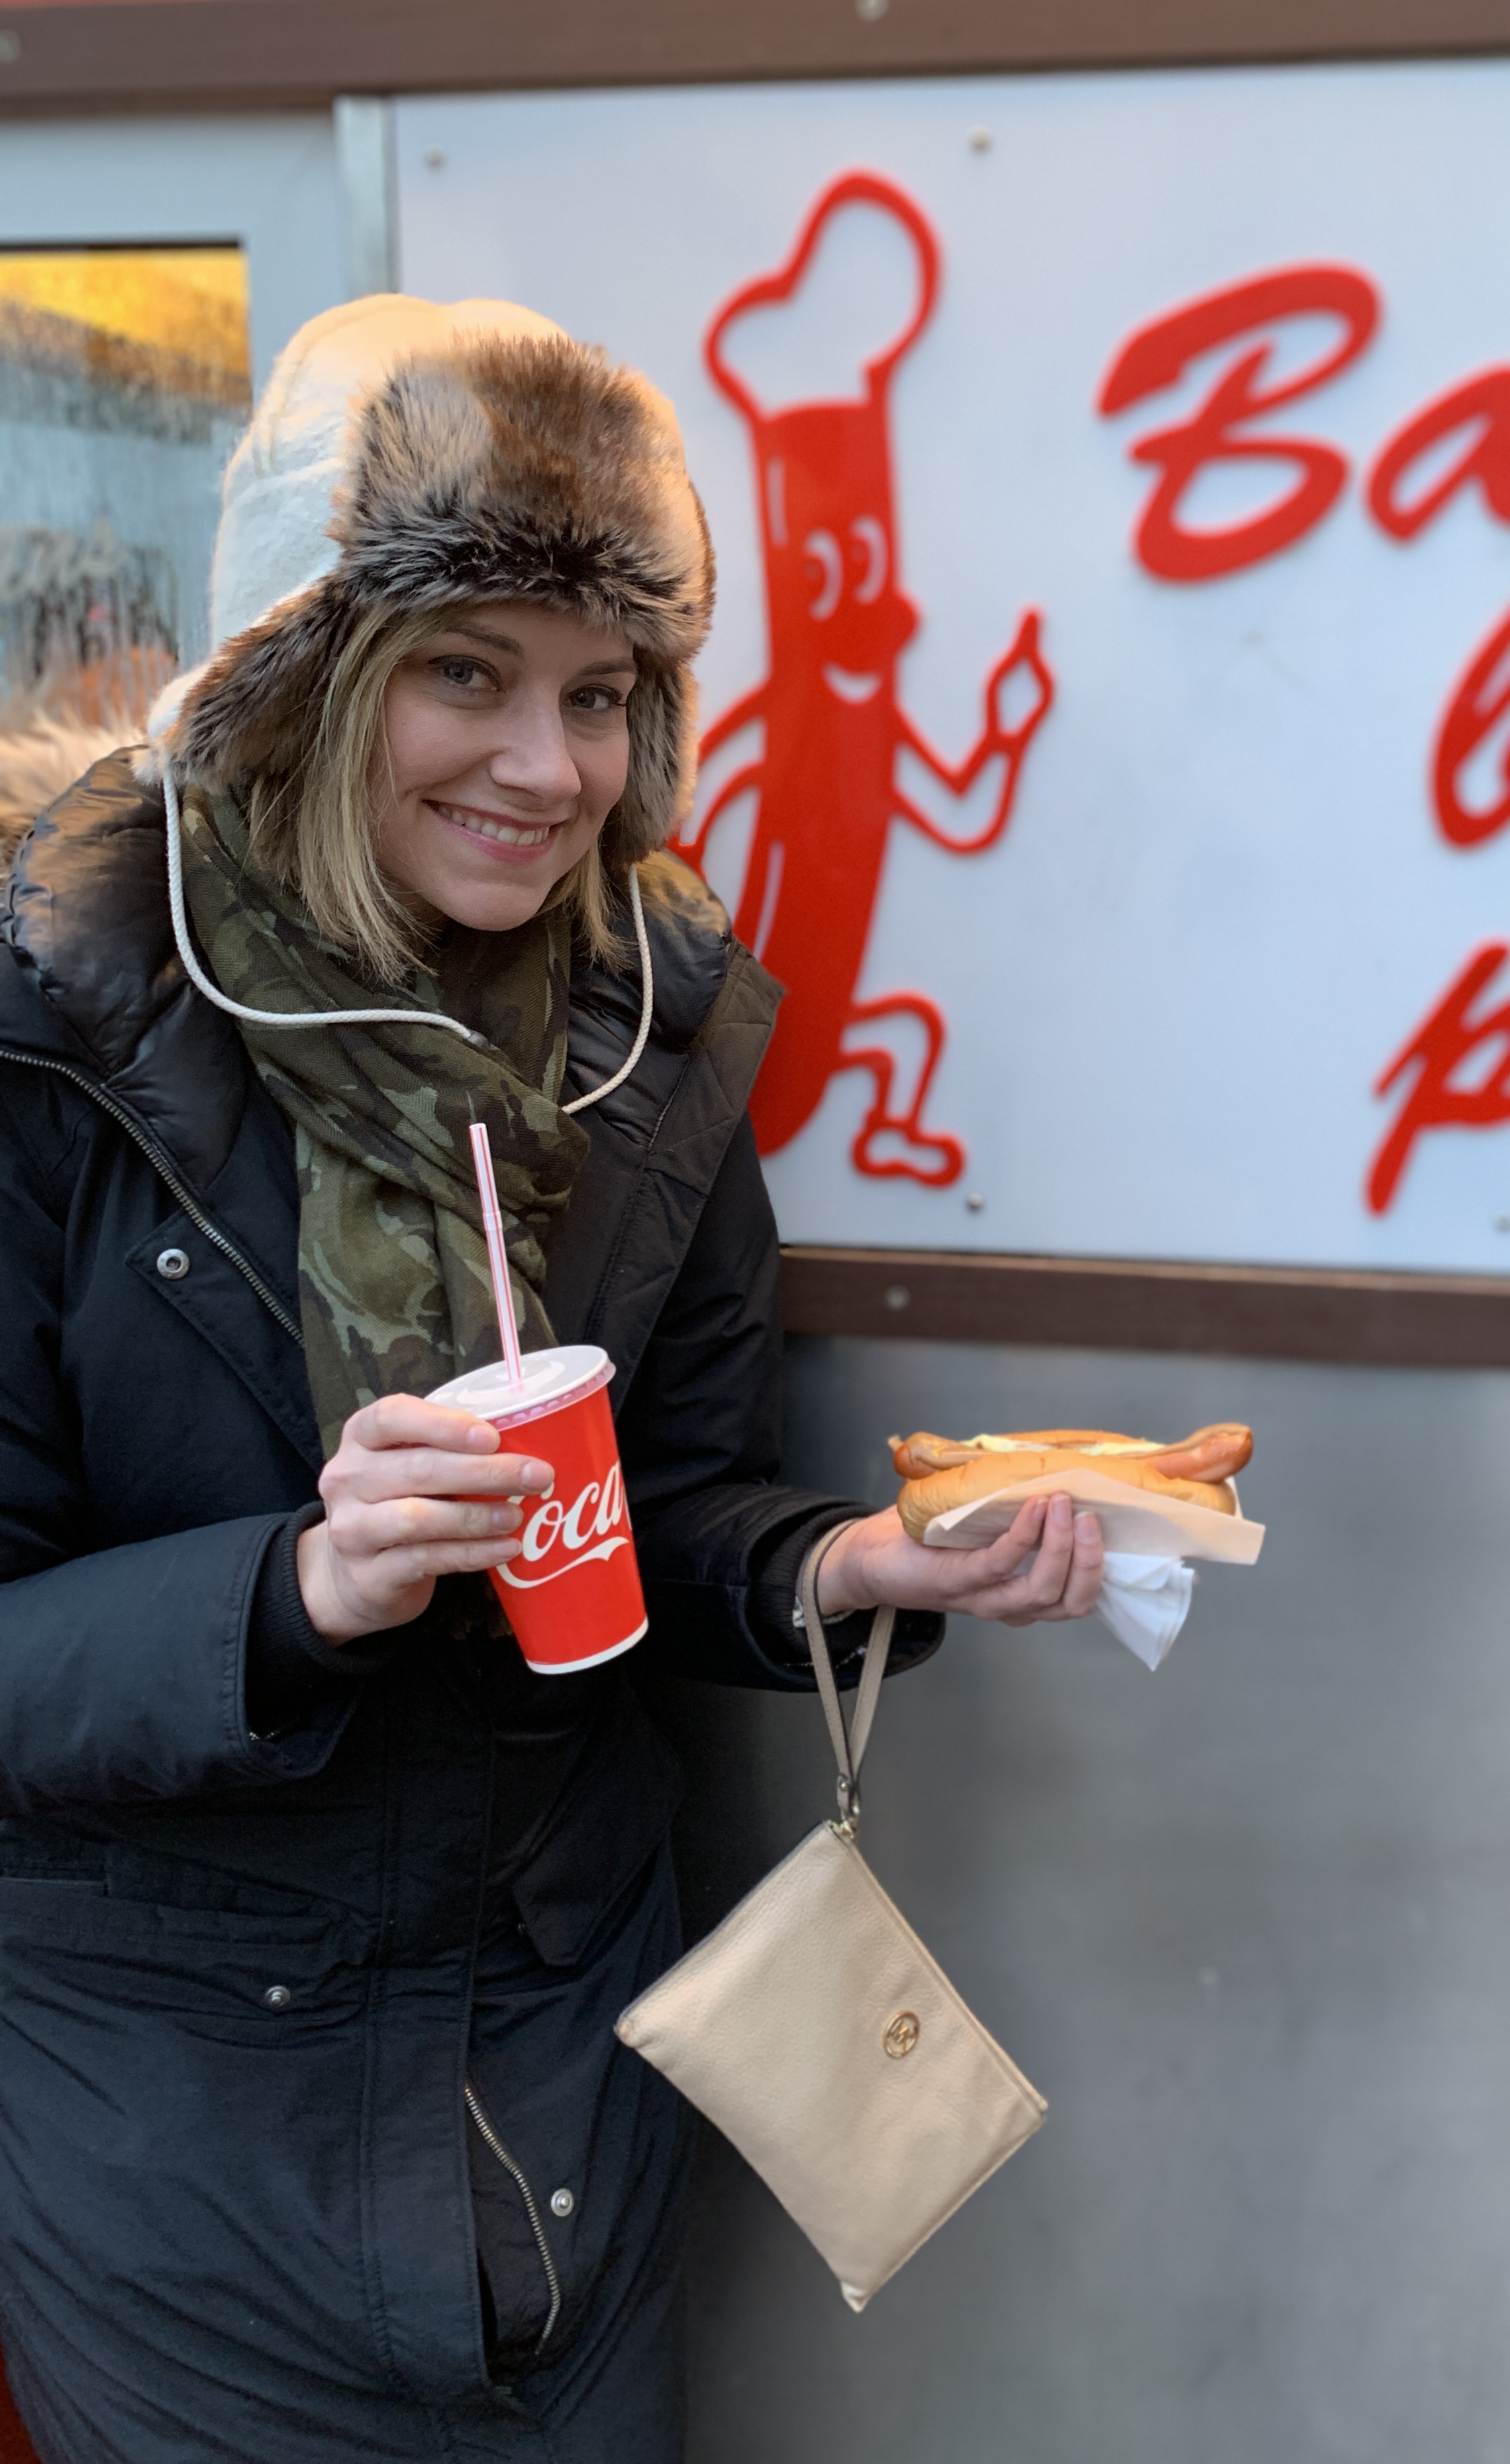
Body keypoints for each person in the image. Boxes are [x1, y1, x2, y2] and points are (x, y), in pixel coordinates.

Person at [0, 297, 1104, 2464]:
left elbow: (666, 1501)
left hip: (570, 2099)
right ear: (303, 673)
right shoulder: (52, 1033)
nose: (549, 767)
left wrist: (843, 1568)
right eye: (466, 672)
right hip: (189, 2155)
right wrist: (294, 1591)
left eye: (602, 693)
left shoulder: (645, 1024)